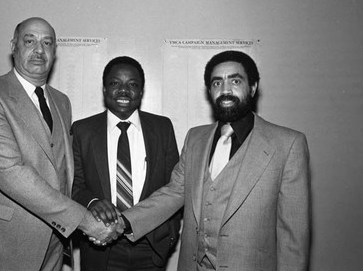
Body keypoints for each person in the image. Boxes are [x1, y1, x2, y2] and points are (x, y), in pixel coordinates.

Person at [122, 50, 311, 271]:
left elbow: (293, 238)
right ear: (209, 91)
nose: (226, 90)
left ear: (253, 87)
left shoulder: (287, 144)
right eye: (217, 83)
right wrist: (124, 222)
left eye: (236, 81)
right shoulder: (195, 138)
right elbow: (175, 192)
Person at [0, 17, 121, 271]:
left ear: (54, 52)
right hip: (2, 243)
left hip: (54, 245)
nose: (39, 49)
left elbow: (63, 170)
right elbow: (11, 173)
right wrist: (86, 222)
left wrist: (94, 209)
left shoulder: (61, 102)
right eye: (30, 41)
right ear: (13, 46)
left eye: (47, 42)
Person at [71, 56, 182, 271]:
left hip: (150, 244)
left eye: (132, 84)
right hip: (100, 244)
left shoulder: (162, 128)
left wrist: (170, 234)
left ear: (141, 91)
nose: (124, 91)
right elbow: (74, 184)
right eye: (115, 83)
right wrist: (92, 201)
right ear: (104, 89)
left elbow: (176, 186)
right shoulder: (83, 130)